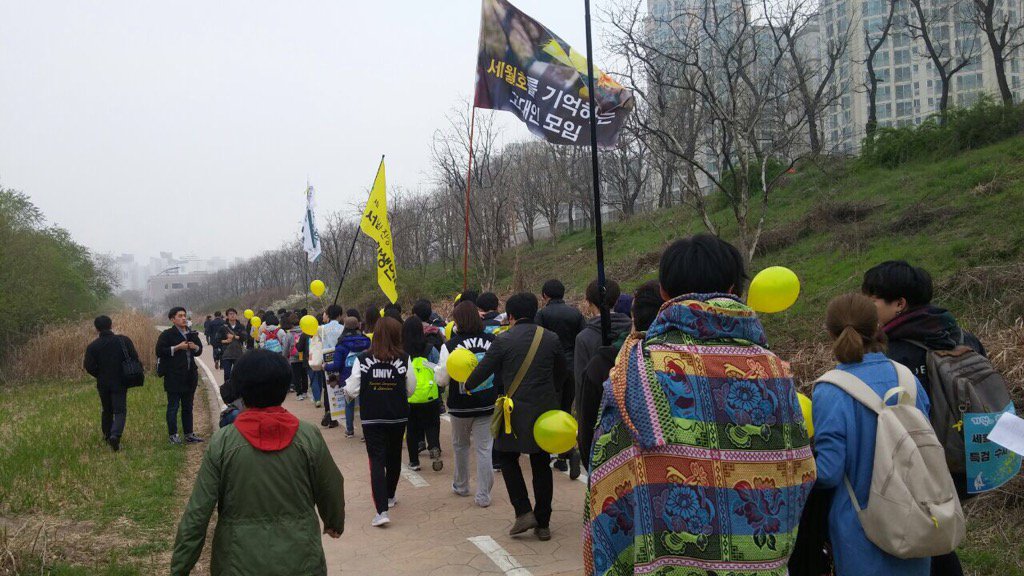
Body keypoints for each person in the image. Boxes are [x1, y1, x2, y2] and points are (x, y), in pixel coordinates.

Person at [583, 234, 815, 575]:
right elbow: (799, 469)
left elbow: (608, 481)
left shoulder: (636, 369)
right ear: (734, 288)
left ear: (663, 291)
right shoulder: (773, 368)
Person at [169, 350, 345, 576]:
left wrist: (180, 567)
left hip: (237, 561)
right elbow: (330, 484)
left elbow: (198, 512)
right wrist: (333, 521)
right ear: (284, 386)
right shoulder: (308, 436)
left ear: (241, 390)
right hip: (301, 559)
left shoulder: (223, 442)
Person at [811, 293, 932, 576]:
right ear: (877, 327)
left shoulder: (831, 390)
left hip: (860, 528)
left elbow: (828, 472)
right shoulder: (907, 378)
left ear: (830, 332)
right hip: (915, 518)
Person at [464, 292, 566, 542]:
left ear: (510, 316)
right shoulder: (551, 338)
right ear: (535, 311)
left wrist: (468, 384)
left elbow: (482, 371)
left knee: (507, 458)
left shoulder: (504, 340)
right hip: (544, 413)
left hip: (513, 414)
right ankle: (543, 523)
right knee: (541, 463)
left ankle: (523, 511)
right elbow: (562, 373)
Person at [577, 280, 662, 468]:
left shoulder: (600, 359)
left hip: (615, 467)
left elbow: (587, 420)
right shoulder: (681, 361)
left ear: (634, 316)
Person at [343, 317, 418, 527]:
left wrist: (345, 390)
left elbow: (352, 388)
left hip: (372, 416)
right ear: (397, 336)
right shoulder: (404, 358)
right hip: (397, 415)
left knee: (376, 460)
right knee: (394, 456)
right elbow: (411, 388)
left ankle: (381, 510)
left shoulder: (363, 359)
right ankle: (391, 495)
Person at [435, 301, 497, 507]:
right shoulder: (492, 340)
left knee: (460, 445)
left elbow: (442, 379)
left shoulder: (450, 345)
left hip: (461, 405)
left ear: (457, 321)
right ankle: (483, 495)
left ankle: (461, 485)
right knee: (484, 448)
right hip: (488, 401)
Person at [534, 279, 585, 475]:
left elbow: (538, 340)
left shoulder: (542, 314)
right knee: (565, 410)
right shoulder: (575, 313)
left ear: (545, 295)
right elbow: (582, 336)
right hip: (572, 366)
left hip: (551, 369)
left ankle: (561, 454)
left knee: (550, 412)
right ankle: (566, 452)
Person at [83, 315, 141, 452]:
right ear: (111, 325)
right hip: (121, 381)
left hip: (103, 382)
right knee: (120, 410)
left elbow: (89, 366)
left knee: (107, 410)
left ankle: (107, 435)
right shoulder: (123, 340)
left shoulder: (92, 346)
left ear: (96, 328)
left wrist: (99, 374)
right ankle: (116, 435)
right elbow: (134, 357)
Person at [573, 278, 632, 408]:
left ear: (588, 302)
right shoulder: (633, 330)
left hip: (598, 408)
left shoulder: (584, 338)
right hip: (631, 404)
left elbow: (581, 382)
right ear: (617, 300)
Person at [156, 307, 205, 445]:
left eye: (184, 315)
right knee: (173, 406)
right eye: (180, 316)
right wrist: (177, 347)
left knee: (188, 406)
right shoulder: (167, 334)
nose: (183, 318)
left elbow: (199, 351)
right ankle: (173, 435)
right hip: (174, 376)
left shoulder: (191, 333)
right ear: (172, 319)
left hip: (190, 375)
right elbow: (159, 351)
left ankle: (189, 434)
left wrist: (194, 346)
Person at [403, 317, 444, 471]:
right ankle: (434, 446)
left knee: (412, 429)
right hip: (430, 395)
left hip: (410, 397)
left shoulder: (401, 351)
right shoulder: (430, 349)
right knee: (432, 424)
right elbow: (438, 370)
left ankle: (414, 461)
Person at [324, 317, 371, 436]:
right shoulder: (367, 341)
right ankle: (366, 433)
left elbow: (337, 365)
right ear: (358, 326)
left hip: (347, 378)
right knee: (364, 405)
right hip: (365, 376)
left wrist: (325, 366)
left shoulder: (341, 344)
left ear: (345, 327)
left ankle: (349, 430)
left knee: (349, 404)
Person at [282, 314, 309, 401]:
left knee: (297, 376)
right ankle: (305, 391)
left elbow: (286, 347)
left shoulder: (289, 334)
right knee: (304, 374)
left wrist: (284, 357)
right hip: (305, 356)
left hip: (294, 357)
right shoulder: (305, 332)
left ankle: (299, 393)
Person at [218, 308, 247, 383]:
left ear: (236, 315)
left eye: (234, 313)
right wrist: (225, 341)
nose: (232, 315)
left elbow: (245, 337)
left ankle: (238, 391)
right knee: (227, 374)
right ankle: (228, 392)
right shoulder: (223, 327)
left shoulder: (241, 326)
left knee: (239, 374)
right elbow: (216, 340)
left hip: (238, 354)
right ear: (227, 316)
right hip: (226, 354)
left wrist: (234, 337)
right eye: (230, 314)